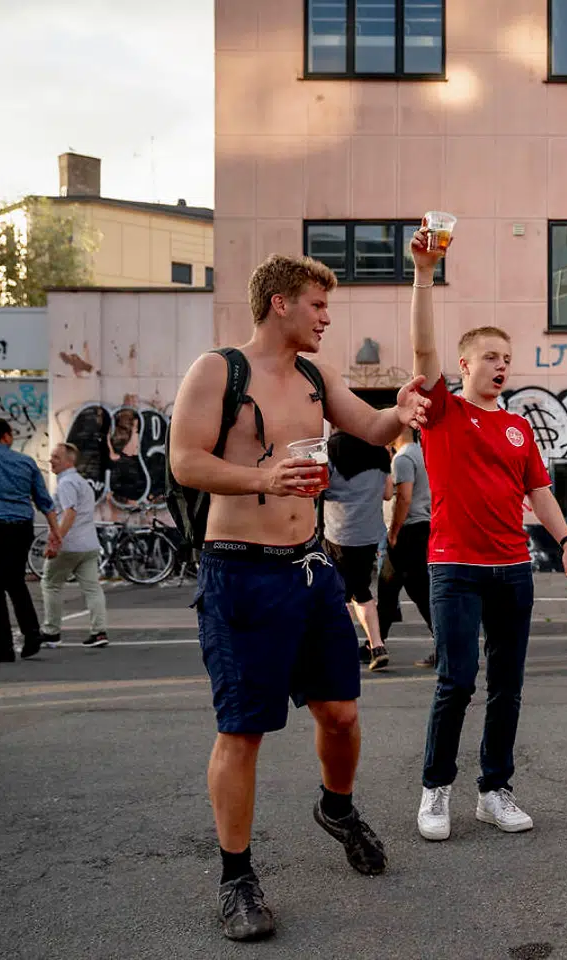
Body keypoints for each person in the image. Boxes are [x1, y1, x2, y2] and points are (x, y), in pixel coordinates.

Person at [169, 253, 429, 942]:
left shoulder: (317, 376)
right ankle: (237, 878)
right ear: (280, 302)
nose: (327, 316)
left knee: (341, 714)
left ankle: (336, 809)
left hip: (310, 570)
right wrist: (263, 472)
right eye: (317, 304)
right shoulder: (217, 371)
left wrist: (397, 412)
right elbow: (185, 460)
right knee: (242, 730)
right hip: (240, 571)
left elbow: (372, 430)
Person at [407, 222, 567, 844]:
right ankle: (436, 790)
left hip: (512, 568)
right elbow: (423, 349)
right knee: (456, 681)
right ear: (465, 364)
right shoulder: (443, 413)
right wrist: (426, 274)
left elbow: (538, 491)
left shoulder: (517, 429)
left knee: (507, 686)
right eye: (490, 357)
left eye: (507, 359)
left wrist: (564, 540)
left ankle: (494, 790)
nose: (501, 366)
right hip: (454, 567)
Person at [321, 430, 394, 671]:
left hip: (339, 534)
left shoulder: (332, 451)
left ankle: (339, 648)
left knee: (337, 595)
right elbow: (387, 493)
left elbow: (320, 489)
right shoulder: (380, 452)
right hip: (369, 534)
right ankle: (377, 645)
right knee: (361, 591)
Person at [0, 419, 64, 661]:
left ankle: (3, 647)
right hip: (20, 527)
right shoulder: (26, 462)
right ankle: (32, 633)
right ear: (5, 436)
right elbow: (44, 502)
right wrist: (55, 532)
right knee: (15, 581)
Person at [39, 442, 108, 649]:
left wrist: (56, 539)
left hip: (69, 545)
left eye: (56, 457)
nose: (51, 460)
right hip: (88, 544)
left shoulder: (66, 483)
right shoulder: (82, 482)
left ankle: (52, 632)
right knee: (93, 589)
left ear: (69, 461)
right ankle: (99, 632)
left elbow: (70, 512)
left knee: (50, 584)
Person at [378, 427, 435, 667]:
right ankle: (376, 643)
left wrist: (394, 532)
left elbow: (404, 497)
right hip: (422, 527)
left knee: (409, 590)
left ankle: (375, 644)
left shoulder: (403, 458)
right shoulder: (422, 453)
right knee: (394, 589)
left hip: (408, 531)